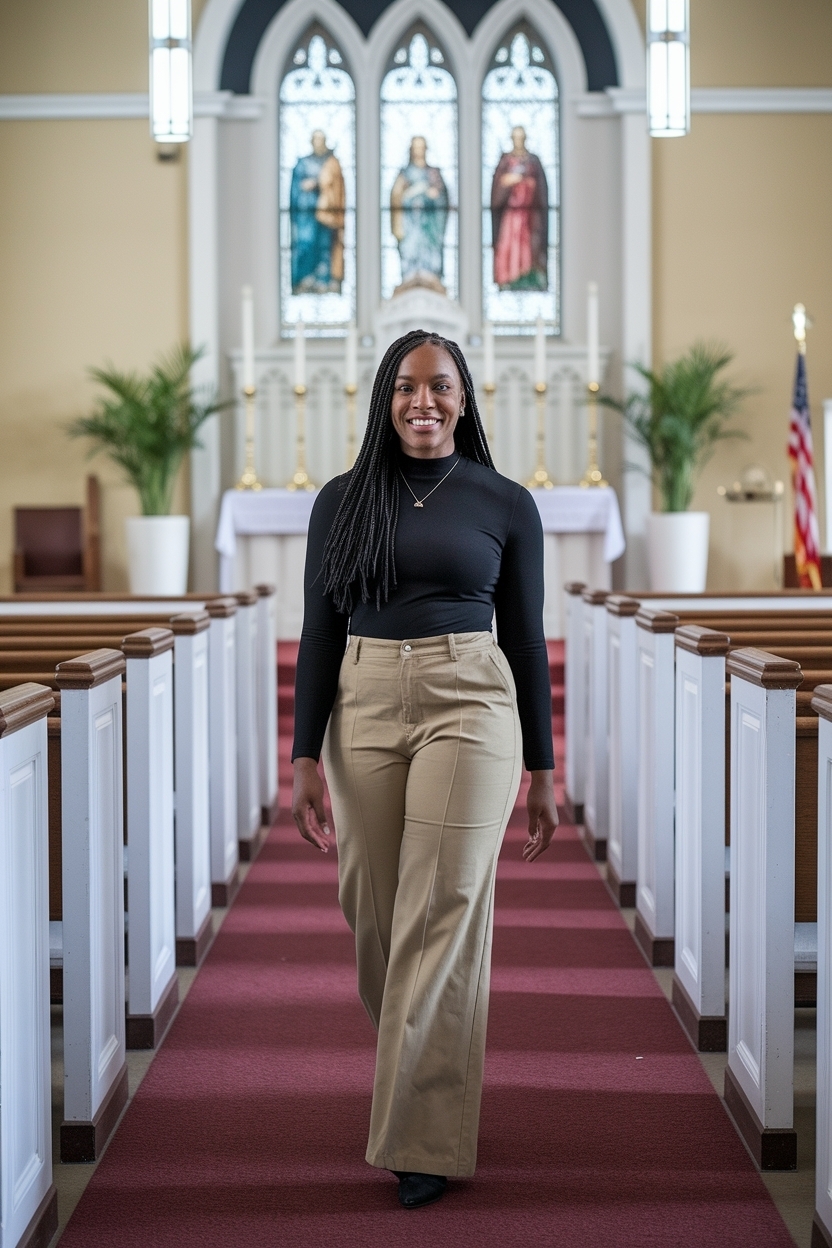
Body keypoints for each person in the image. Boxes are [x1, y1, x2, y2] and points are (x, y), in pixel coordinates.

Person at [292, 329, 558, 1210]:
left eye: (441, 387)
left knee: (439, 911)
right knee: (374, 916)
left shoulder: (506, 502)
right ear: (384, 397)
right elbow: (322, 632)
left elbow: (523, 638)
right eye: (407, 387)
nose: (424, 402)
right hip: (362, 701)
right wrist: (301, 756)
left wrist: (544, 770)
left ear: (465, 397)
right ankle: (426, 1072)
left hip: (470, 701)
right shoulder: (341, 500)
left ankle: (424, 1141)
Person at [490, 126, 548, 291]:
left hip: (529, 215)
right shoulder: (506, 161)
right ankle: (509, 276)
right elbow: (497, 191)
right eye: (515, 137)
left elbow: (541, 190)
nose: (518, 141)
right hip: (511, 214)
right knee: (510, 244)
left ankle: (527, 274)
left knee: (528, 246)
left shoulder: (533, 161)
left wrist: (526, 183)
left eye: (520, 137)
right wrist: (508, 182)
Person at [390, 138, 449, 294]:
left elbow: (443, 199)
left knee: (427, 249)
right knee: (411, 248)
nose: (418, 151)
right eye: (416, 148)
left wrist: (434, 195)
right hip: (411, 222)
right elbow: (396, 197)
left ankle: (430, 276)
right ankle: (409, 277)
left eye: (421, 147)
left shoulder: (434, 173)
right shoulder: (405, 174)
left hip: (429, 224)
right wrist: (411, 194)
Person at [290, 129, 346, 293]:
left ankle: (325, 279)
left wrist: (319, 184)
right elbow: (295, 189)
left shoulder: (330, 163)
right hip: (306, 213)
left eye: (321, 140)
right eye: (316, 140)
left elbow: (337, 186)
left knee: (325, 246)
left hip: (326, 212)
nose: (319, 143)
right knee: (306, 244)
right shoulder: (303, 163)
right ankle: (306, 279)